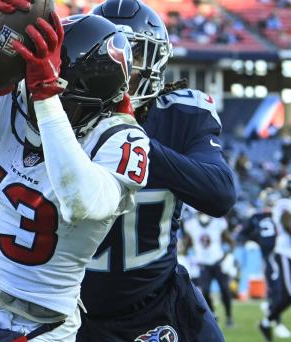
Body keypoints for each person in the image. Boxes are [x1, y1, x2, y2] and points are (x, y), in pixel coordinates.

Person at [0, 3, 149, 339]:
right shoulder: (17, 95)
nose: (33, 94)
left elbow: (79, 201)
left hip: (42, 325)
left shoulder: (120, 139)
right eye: (35, 78)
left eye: (62, 93)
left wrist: (47, 94)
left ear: (98, 105)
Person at [76, 1, 236, 341]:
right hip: (69, 308)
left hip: (158, 303)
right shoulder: (62, 115)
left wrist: (136, 145)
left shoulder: (182, 114)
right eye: (107, 53)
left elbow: (221, 193)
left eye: (132, 53)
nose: (120, 66)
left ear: (154, 63)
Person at [238, 188, 291, 339]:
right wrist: (251, 241)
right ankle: (273, 322)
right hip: (277, 255)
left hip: (278, 253)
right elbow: (242, 234)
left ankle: (269, 320)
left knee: (281, 291)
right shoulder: (270, 211)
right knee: (280, 290)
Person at [183, 213, 235, 327]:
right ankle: (213, 313)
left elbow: (231, 242)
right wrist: (187, 258)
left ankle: (229, 317)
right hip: (202, 264)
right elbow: (186, 245)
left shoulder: (218, 223)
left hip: (218, 262)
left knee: (225, 290)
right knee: (205, 291)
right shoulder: (191, 225)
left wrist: (228, 257)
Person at [260, 178, 291, 341]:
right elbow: (288, 225)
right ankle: (266, 322)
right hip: (286, 253)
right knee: (288, 294)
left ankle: (266, 322)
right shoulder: (284, 204)